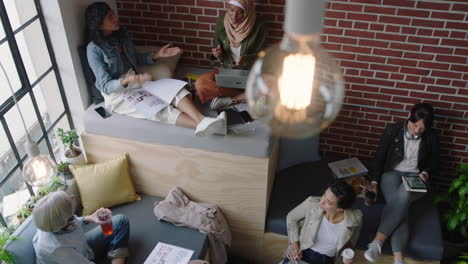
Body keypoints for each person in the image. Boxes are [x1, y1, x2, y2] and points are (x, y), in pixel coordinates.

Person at [86, 2, 226, 136]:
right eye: (110, 17)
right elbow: (105, 85)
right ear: (98, 24)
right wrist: (127, 80)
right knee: (158, 108)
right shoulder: (93, 49)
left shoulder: (120, 36)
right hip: (118, 94)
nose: (116, 18)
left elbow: (136, 58)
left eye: (113, 14)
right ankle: (210, 126)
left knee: (174, 89)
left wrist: (158, 55)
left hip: (137, 81)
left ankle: (203, 121)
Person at [364, 103, 439, 264]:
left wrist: (425, 173)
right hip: (392, 174)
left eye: (422, 128)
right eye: (414, 125)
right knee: (401, 207)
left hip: (416, 177)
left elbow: (433, 163)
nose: (416, 130)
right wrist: (375, 181)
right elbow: (380, 157)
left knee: (403, 194)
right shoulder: (392, 130)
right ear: (409, 117)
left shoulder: (432, 137)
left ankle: (377, 242)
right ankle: (399, 260)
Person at [195, 0, 267, 110]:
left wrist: (245, 60)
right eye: (231, 10)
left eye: (240, 12)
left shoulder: (258, 26)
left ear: (247, 12)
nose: (234, 16)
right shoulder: (222, 22)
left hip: (249, 72)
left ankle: (232, 99)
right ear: (227, 8)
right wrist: (216, 54)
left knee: (274, 86)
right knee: (200, 83)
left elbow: (263, 56)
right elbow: (214, 54)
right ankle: (245, 95)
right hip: (228, 71)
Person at [32, 190, 129, 264]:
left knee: (121, 221)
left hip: (83, 248)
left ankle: (116, 256)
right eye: (71, 214)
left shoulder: (49, 218)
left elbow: (72, 220)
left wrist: (90, 218)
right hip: (72, 259)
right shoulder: (55, 249)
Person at [283, 181, 363, 264]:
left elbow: (351, 241)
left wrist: (348, 254)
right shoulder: (312, 203)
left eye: (328, 202)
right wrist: (295, 245)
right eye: (324, 194)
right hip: (303, 251)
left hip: (326, 260)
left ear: (339, 209)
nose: (321, 201)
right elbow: (291, 217)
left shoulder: (355, 219)